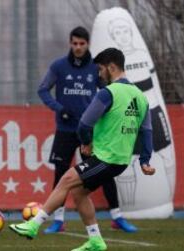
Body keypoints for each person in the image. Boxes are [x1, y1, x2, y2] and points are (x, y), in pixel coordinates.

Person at [10, 48, 155, 251]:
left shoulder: (108, 93)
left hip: (107, 158)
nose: (98, 74)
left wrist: (85, 142)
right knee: (78, 193)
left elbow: (85, 124)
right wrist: (145, 161)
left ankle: (33, 224)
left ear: (111, 67)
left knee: (66, 179)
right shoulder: (140, 96)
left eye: (100, 69)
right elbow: (147, 131)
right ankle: (95, 241)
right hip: (120, 160)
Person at [37, 26, 137, 234]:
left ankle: (117, 217)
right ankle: (58, 220)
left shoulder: (95, 68)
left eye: (82, 44)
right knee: (61, 173)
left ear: (87, 44)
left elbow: (109, 89)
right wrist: (59, 108)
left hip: (91, 132)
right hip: (65, 129)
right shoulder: (59, 66)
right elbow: (42, 89)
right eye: (74, 43)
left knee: (104, 171)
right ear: (70, 43)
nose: (78, 47)